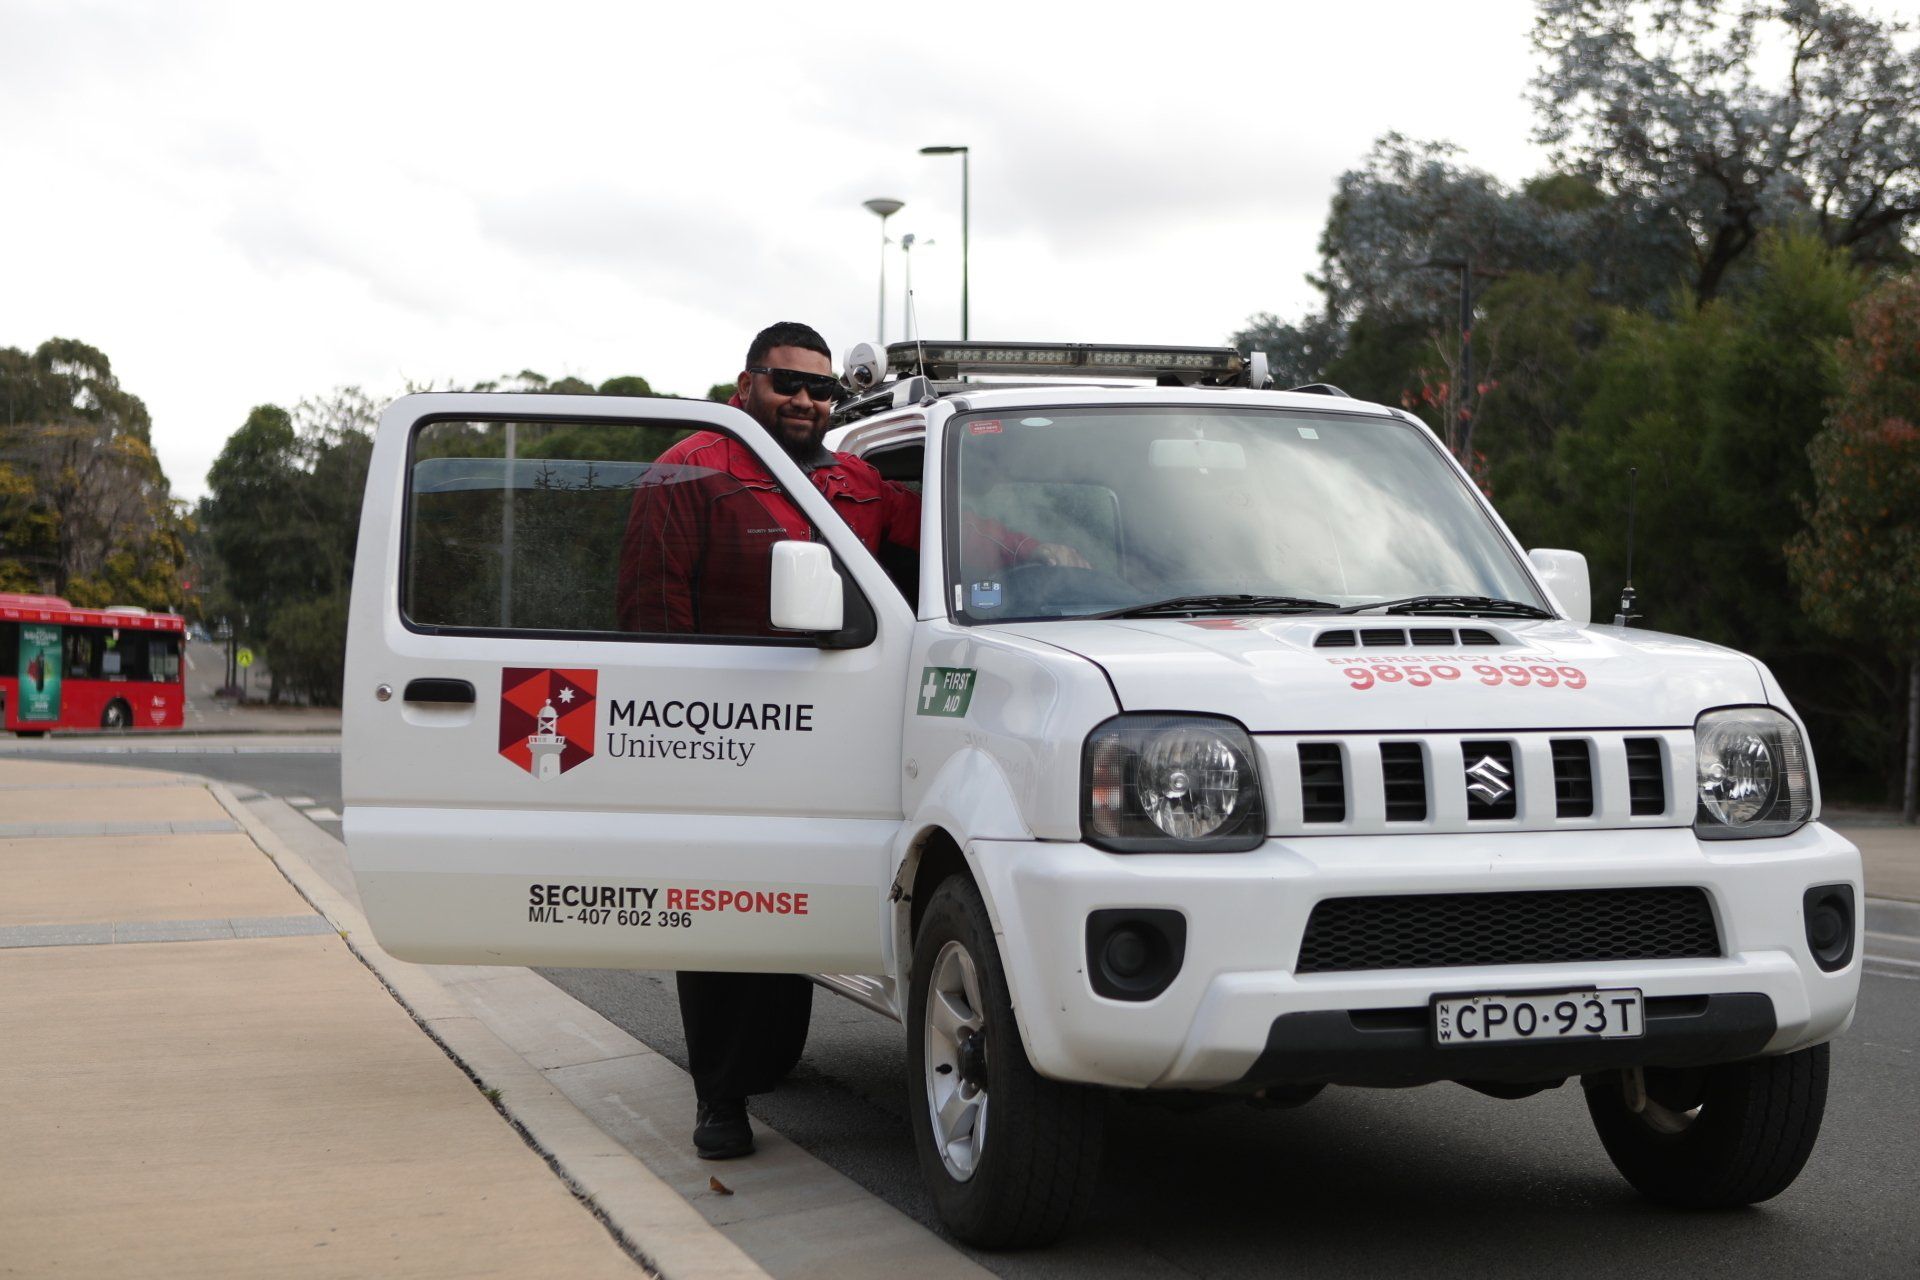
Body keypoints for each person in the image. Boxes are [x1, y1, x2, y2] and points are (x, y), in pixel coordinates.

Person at [616, 321, 1081, 1159]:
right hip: (727, 733)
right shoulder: (691, 470)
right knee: (720, 923)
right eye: (787, 383)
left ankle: (754, 1064)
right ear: (747, 382)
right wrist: (672, 744)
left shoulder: (856, 480)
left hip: (837, 732)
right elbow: (653, 622)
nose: (804, 401)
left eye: (820, 389)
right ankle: (720, 1100)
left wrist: (1055, 555)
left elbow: (950, 538)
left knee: (797, 909)